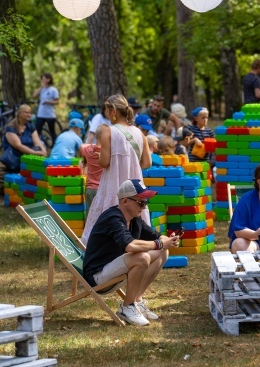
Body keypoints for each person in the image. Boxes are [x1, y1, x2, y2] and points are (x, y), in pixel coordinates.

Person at [83, 179, 181, 326]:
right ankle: (127, 307)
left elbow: (154, 235)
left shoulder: (134, 218)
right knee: (141, 257)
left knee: (162, 252)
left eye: (145, 202)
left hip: (113, 269)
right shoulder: (113, 218)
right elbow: (130, 245)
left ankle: (137, 301)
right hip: (98, 275)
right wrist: (160, 243)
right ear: (125, 201)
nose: (144, 206)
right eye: (140, 202)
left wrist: (168, 240)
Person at [81, 94, 152, 246]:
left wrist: (101, 157)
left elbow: (104, 162)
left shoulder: (109, 132)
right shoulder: (139, 133)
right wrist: (131, 162)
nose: (106, 114)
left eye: (107, 111)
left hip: (114, 184)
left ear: (113, 111)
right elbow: (147, 162)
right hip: (135, 185)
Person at [1, 104, 47, 172]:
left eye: (30, 113)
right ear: (20, 113)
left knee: (40, 146)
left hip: (28, 156)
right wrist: (34, 153)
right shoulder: (10, 128)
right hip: (16, 159)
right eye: (27, 112)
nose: (29, 115)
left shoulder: (30, 126)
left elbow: (38, 142)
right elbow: (18, 146)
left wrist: (44, 152)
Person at [81, 125, 105, 220]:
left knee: (90, 218)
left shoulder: (87, 150)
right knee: (102, 218)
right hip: (102, 190)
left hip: (89, 189)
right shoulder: (107, 152)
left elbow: (82, 147)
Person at [32, 73, 59, 143]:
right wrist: (41, 87)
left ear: (48, 79)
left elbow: (57, 101)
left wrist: (49, 102)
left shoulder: (54, 90)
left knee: (52, 130)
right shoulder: (41, 89)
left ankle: (54, 144)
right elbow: (34, 95)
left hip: (50, 114)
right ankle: (37, 144)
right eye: (42, 79)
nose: (43, 80)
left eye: (44, 79)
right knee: (37, 130)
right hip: (41, 113)